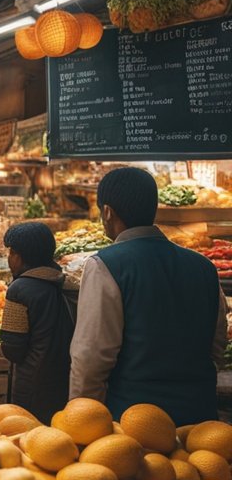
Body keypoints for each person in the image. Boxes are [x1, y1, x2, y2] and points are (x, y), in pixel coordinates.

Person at [70, 167, 226, 424]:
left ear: (107, 212)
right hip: (199, 420)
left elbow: (91, 358)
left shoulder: (105, 265)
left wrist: (83, 420)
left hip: (135, 425)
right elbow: (217, 345)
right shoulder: (203, 266)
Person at [0, 222, 77, 420]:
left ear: (19, 256)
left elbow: (12, 348)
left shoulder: (19, 289)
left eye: (11, 253)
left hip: (31, 384)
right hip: (64, 381)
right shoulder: (64, 282)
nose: (9, 259)